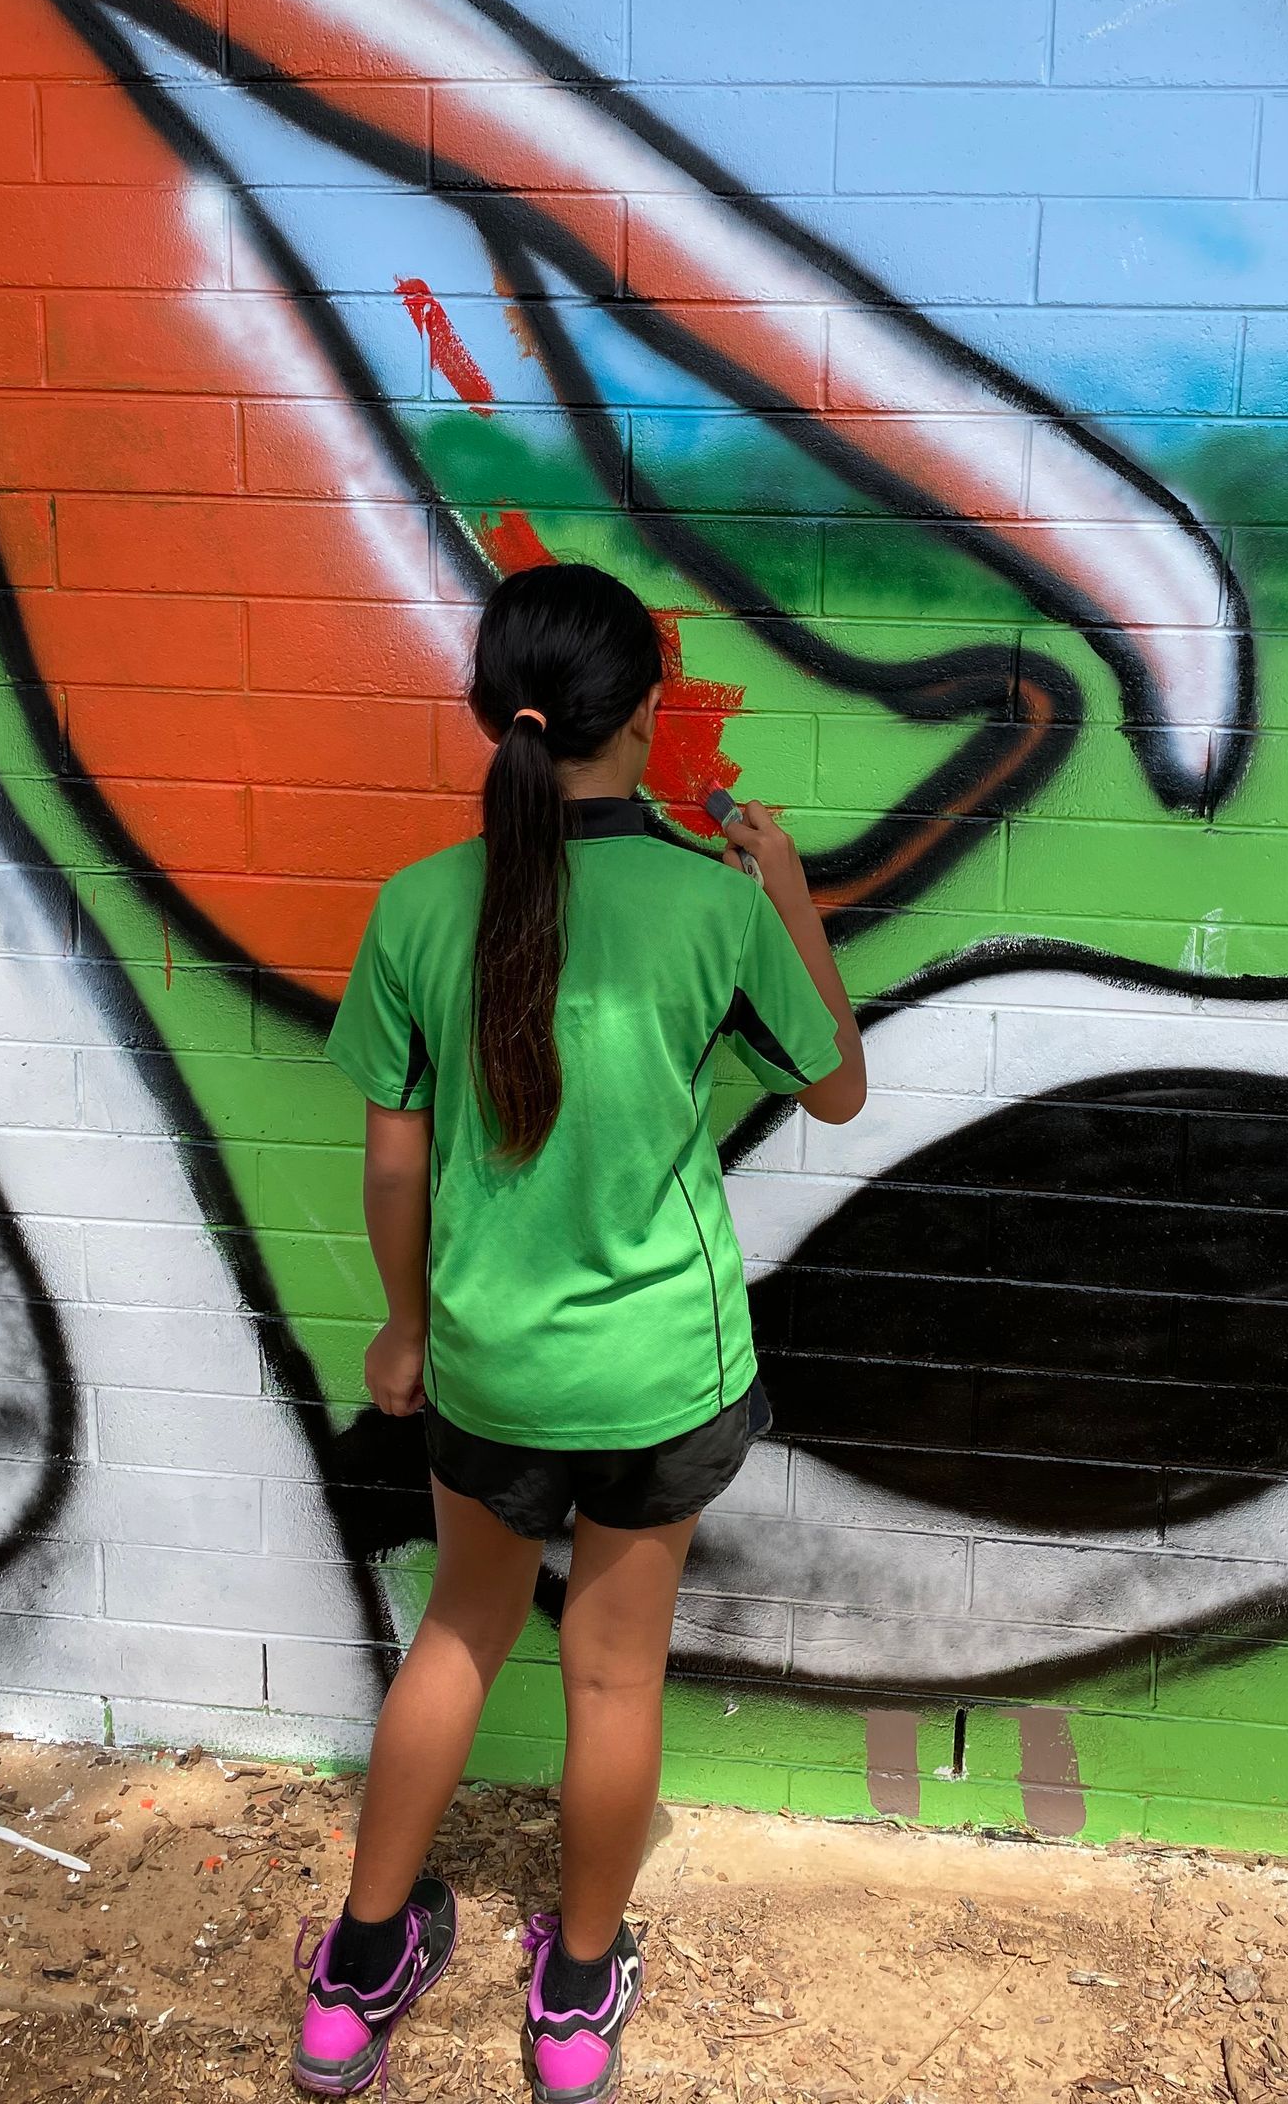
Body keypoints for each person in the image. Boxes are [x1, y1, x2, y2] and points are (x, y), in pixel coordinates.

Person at [291, 562, 866, 2102]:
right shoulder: (709, 906)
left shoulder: (419, 905)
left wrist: (404, 1333)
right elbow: (835, 1088)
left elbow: (396, 1160)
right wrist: (789, 896)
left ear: (495, 713)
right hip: (664, 1377)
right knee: (615, 1683)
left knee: (461, 1634)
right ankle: (576, 2003)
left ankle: (355, 1980)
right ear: (648, 714)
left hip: (488, 1367)